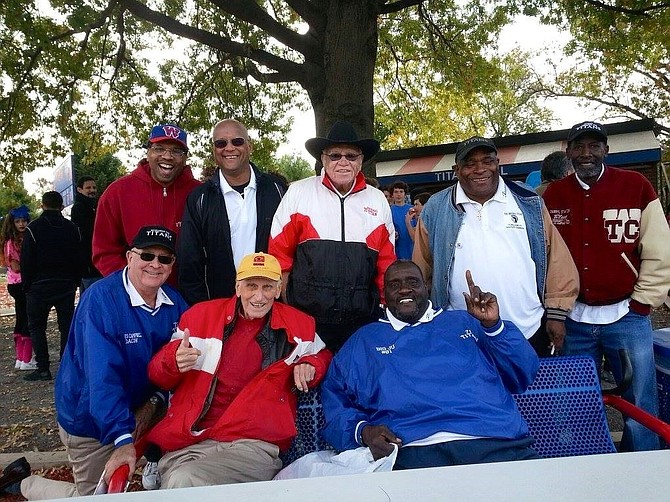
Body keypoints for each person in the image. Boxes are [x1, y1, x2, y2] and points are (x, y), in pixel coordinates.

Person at [17, 226, 189, 499]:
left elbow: (177, 367)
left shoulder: (175, 303)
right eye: (147, 255)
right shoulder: (100, 300)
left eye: (164, 258)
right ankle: (27, 486)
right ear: (130, 257)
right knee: (94, 497)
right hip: (92, 421)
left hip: (140, 411)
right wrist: (121, 437)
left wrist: (154, 402)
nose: (155, 264)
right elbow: (101, 376)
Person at [321, 260, 539, 469]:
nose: (404, 290)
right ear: (384, 294)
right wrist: (363, 431)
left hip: (495, 442)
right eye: (394, 285)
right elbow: (336, 401)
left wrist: (494, 326)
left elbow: (524, 372)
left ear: (426, 287)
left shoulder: (468, 322)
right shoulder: (364, 342)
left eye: (413, 282)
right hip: (413, 453)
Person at [144, 252, 332, 489]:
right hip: (191, 440)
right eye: (251, 286)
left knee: (184, 480)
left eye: (267, 287)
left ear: (278, 289)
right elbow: (157, 375)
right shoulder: (201, 316)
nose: (259, 296)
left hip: (253, 445)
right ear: (237, 287)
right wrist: (172, 361)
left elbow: (323, 355)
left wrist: (311, 364)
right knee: (179, 477)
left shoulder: (298, 324)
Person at [543, 120, 670, 451]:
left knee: (639, 401)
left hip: (626, 314)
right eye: (580, 146)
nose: (587, 153)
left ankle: (643, 471)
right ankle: (588, 466)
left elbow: (660, 250)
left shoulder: (637, 186)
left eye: (594, 146)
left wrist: (643, 303)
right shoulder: (554, 195)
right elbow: (545, 255)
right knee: (577, 403)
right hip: (573, 319)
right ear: (568, 151)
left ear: (606, 151)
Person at [413, 136, 579, 357]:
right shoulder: (436, 207)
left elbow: (556, 258)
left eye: (487, 161)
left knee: (530, 391)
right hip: (463, 334)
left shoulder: (528, 201)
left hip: (527, 329)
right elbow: (422, 266)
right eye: (470, 163)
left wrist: (557, 313)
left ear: (497, 163)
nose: (480, 169)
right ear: (456, 169)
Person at [269, 120, 396, 352]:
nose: (343, 162)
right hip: (307, 318)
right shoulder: (299, 192)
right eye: (335, 155)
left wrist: (384, 307)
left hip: (361, 319)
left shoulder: (377, 199)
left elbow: (386, 262)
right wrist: (285, 305)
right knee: (307, 384)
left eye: (351, 155)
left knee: (355, 383)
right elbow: (279, 254)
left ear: (361, 161)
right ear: (323, 159)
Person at [177, 119, 287, 305]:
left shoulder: (277, 190)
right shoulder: (199, 199)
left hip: (268, 303)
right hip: (219, 305)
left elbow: (292, 249)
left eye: (237, 141)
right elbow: (189, 263)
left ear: (249, 146)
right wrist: (204, 309)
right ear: (214, 150)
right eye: (221, 143)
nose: (229, 148)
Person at [92, 124, 201, 285]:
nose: (167, 156)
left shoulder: (200, 194)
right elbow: (104, 252)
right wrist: (134, 286)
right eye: (159, 148)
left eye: (176, 151)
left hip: (189, 299)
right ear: (148, 152)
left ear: (185, 157)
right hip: (134, 298)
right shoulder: (117, 192)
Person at [21, 191, 82, 381]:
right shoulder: (72, 228)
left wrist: (27, 285)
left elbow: (27, 260)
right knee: (66, 326)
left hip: (39, 285)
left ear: (42, 205)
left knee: (37, 327)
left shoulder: (33, 228)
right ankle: (66, 366)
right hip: (66, 285)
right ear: (61, 206)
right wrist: (75, 280)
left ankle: (43, 367)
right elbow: (79, 256)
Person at [0, 205, 36, 370]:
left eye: (24, 220)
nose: (22, 224)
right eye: (18, 221)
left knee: (21, 318)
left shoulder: (19, 239)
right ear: (12, 223)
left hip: (16, 283)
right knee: (27, 320)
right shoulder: (12, 242)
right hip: (20, 283)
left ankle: (21, 358)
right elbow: (15, 266)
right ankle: (27, 358)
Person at [70, 175, 102, 292]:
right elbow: (88, 234)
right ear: (79, 189)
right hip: (90, 263)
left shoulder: (92, 206)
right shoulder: (80, 208)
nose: (92, 190)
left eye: (94, 187)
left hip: (91, 263)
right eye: (88, 188)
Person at [390, 181, 413, 259]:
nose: (398, 194)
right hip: (396, 250)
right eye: (396, 192)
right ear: (392, 195)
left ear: (405, 194)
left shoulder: (412, 210)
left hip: (412, 248)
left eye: (401, 191)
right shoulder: (388, 211)